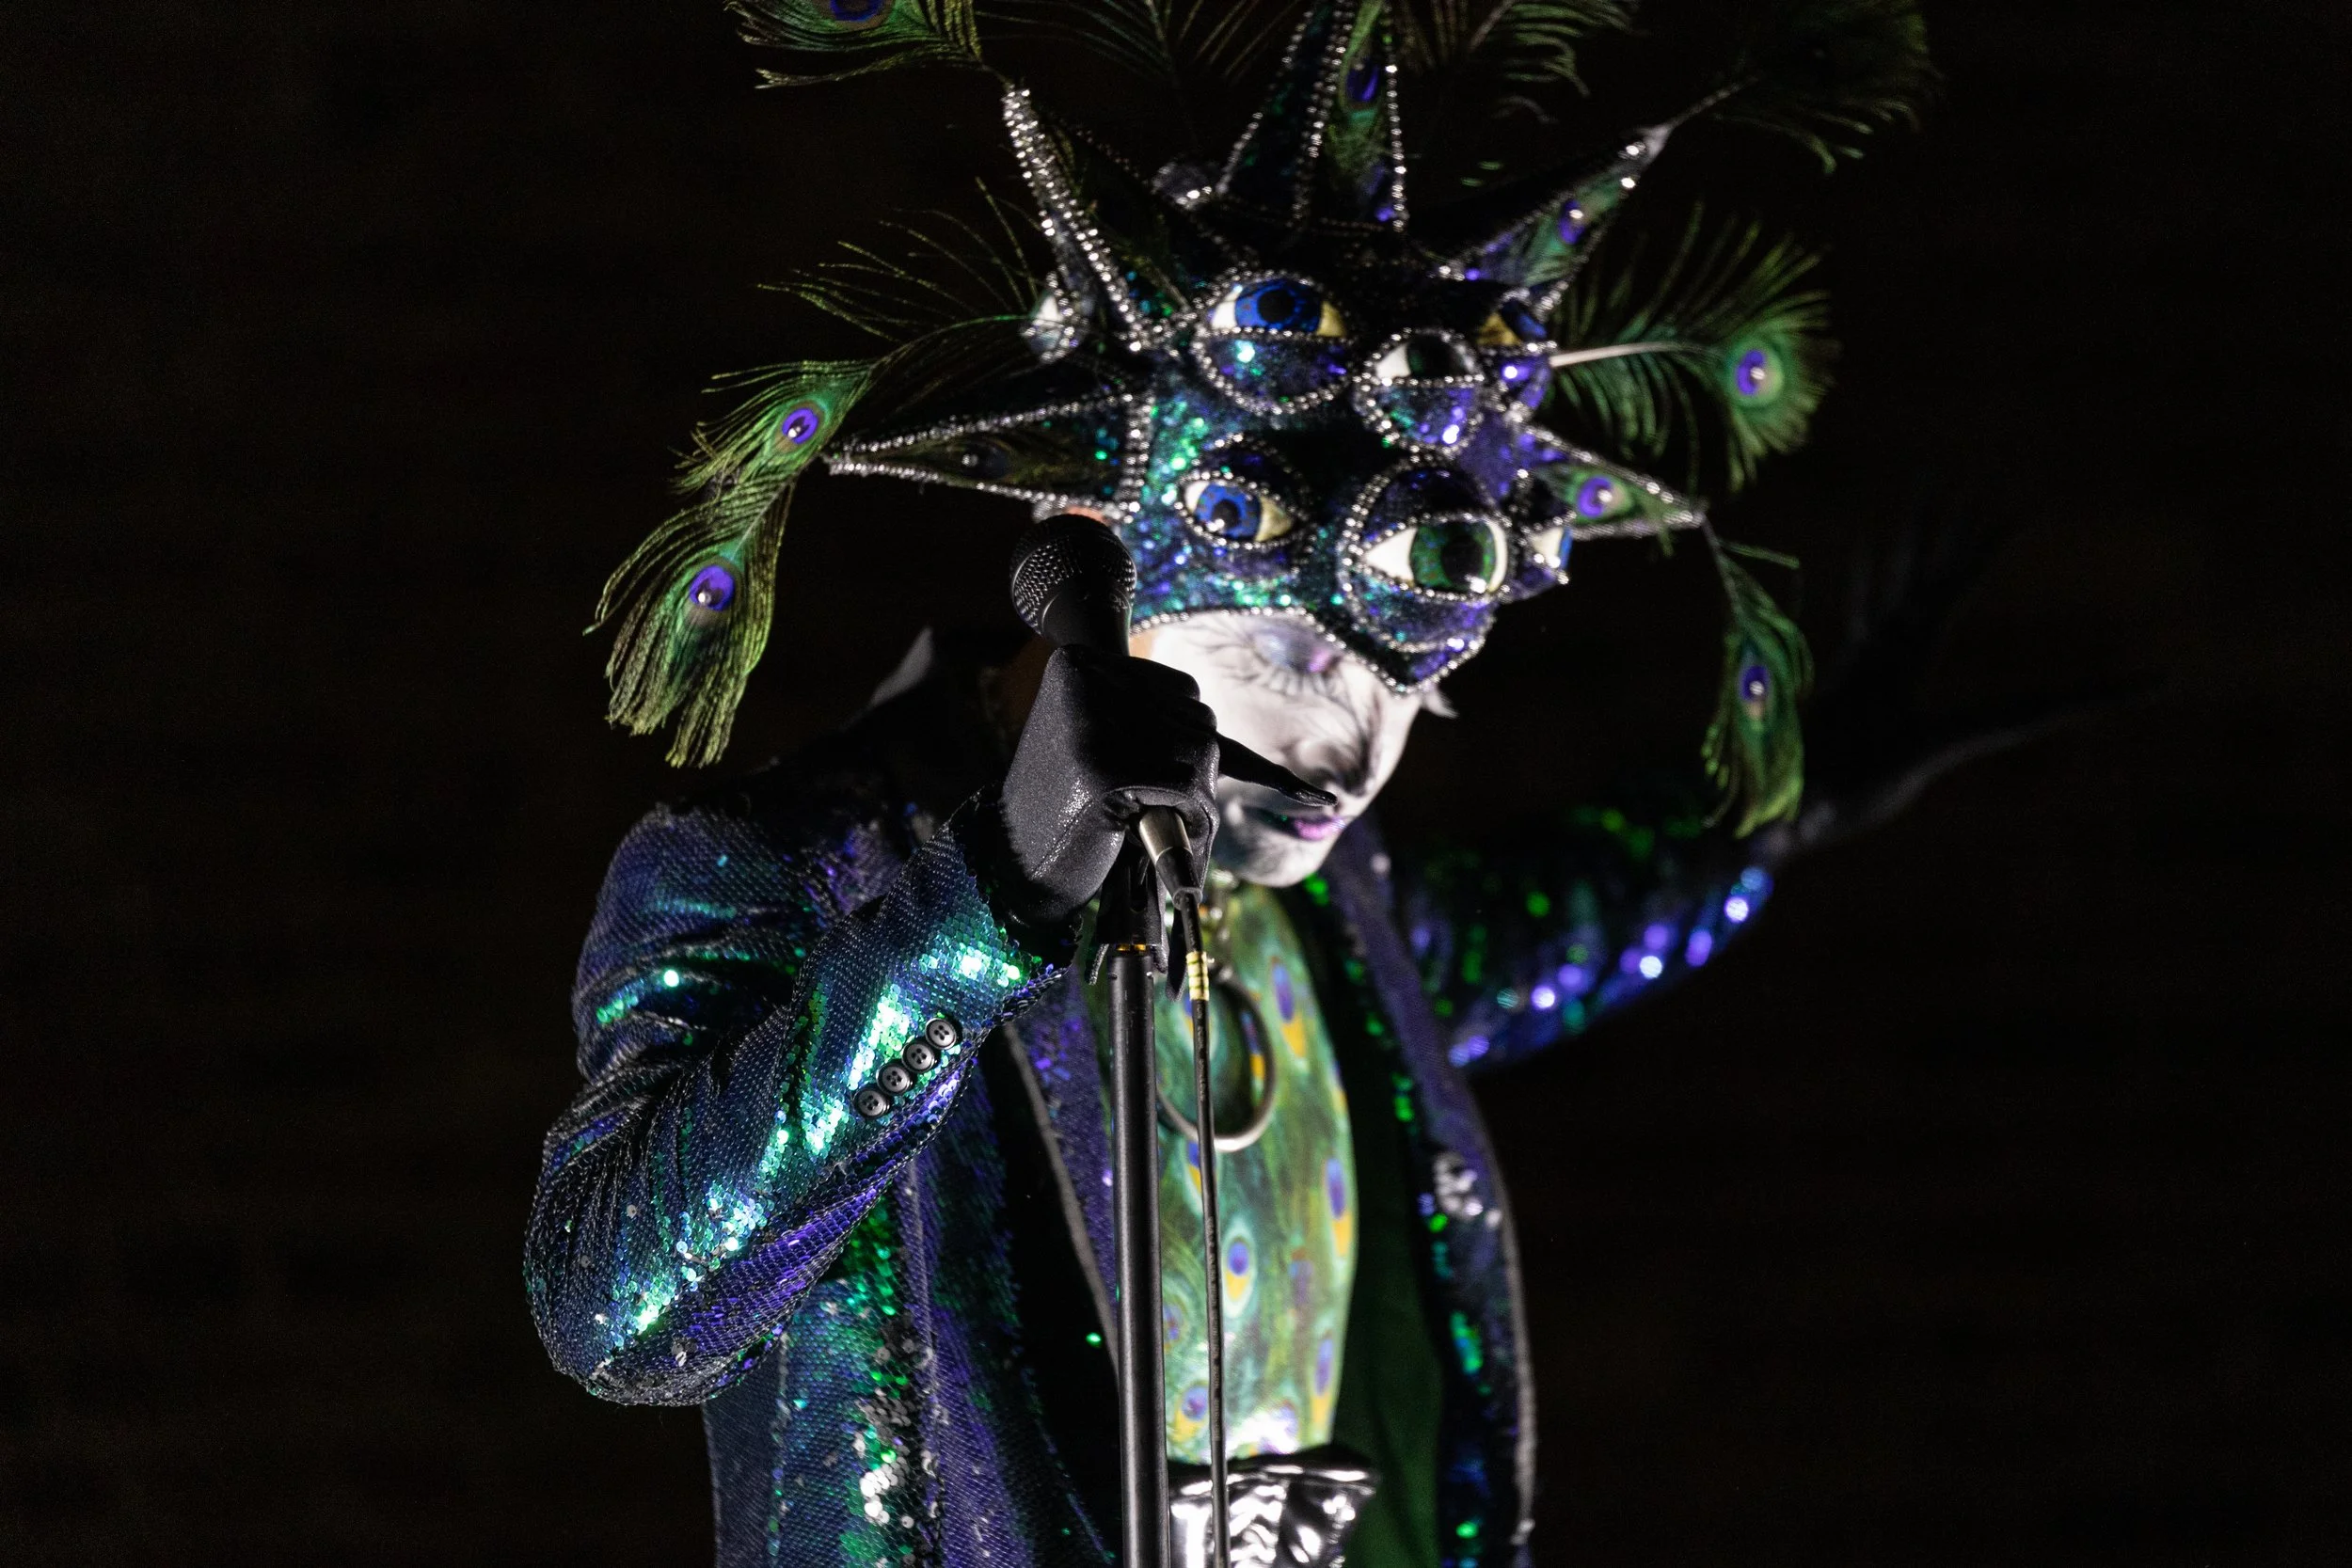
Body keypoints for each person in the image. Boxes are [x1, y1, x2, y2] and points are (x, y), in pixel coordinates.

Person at [526, 4, 1952, 1564]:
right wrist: (983, 898)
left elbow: (1535, 932)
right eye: (1276, 650)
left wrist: (1766, 817)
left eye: (1403, 677)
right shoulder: (786, 871)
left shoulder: (1339, 890)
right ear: (1094, 547)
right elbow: (617, 1311)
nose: (1343, 746)